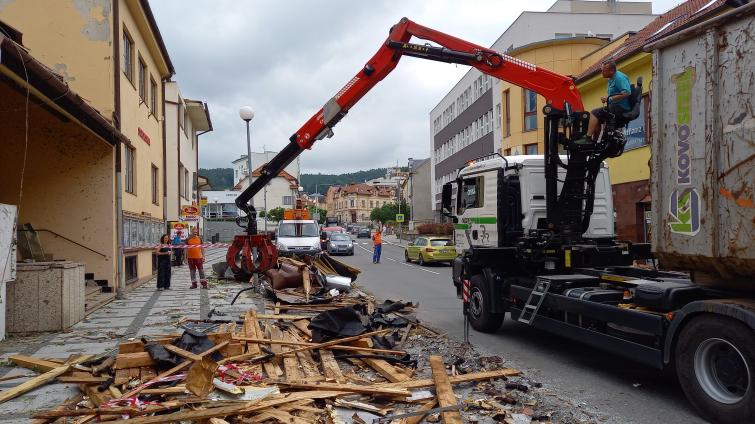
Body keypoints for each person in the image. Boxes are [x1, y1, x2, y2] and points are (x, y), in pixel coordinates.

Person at [585, 60, 632, 142]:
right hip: (614, 106)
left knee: (594, 113)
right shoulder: (611, 78)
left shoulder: (619, 78)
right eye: (601, 70)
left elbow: (627, 92)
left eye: (604, 71)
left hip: (621, 108)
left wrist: (609, 99)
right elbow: (615, 93)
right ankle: (595, 142)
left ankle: (588, 138)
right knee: (597, 120)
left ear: (611, 71)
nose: (601, 72)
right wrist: (607, 98)